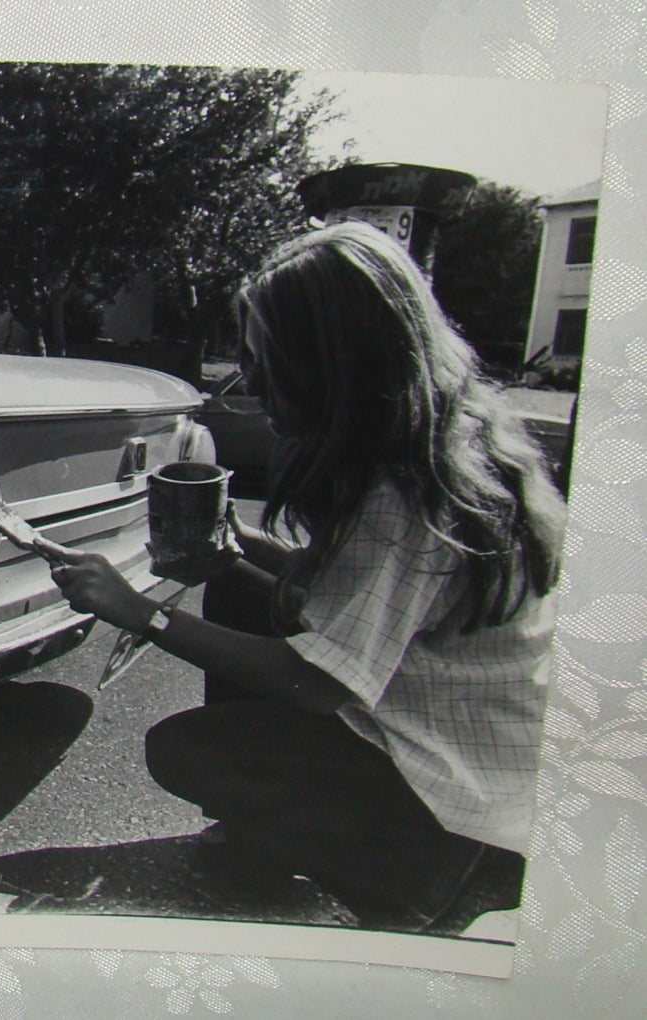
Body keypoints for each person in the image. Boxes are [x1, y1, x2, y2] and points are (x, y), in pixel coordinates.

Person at [50, 221, 566, 929]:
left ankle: (418, 871)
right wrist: (235, 553)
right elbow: (371, 603)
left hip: (455, 788)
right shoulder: (449, 443)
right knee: (232, 588)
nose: (250, 377)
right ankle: (269, 835)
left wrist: (139, 611)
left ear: (333, 361)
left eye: (268, 357)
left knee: (183, 750)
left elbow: (320, 680)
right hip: (463, 735)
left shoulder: (404, 494)